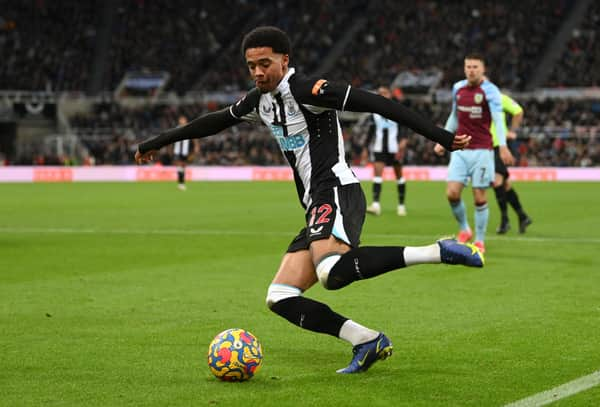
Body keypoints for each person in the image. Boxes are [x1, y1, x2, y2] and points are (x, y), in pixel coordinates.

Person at [135, 26, 483, 375]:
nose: (257, 72)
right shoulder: (260, 100)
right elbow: (213, 122)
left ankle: (437, 251)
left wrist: (440, 135)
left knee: (331, 272)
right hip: (314, 204)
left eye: (265, 63)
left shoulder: (308, 90)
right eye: (251, 65)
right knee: (280, 296)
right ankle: (366, 340)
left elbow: (377, 103)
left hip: (335, 189)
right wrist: (157, 141)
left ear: (285, 61)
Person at [434, 53, 514, 254]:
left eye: (475, 67)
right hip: (460, 150)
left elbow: (498, 119)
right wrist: (443, 139)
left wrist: (502, 146)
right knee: (451, 193)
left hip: (482, 151)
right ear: (464, 68)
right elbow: (454, 116)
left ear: (483, 69)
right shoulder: (458, 88)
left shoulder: (490, 91)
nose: (471, 70)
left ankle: (480, 240)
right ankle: (464, 229)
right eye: (468, 66)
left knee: (479, 196)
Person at [361, 86, 408, 216]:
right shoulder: (374, 113)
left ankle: (401, 205)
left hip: (395, 148)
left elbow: (404, 127)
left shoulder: (397, 110)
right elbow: (370, 133)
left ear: (390, 94)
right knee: (377, 175)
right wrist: (365, 148)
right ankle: (376, 205)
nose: (382, 95)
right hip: (379, 147)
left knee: (399, 176)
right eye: (380, 93)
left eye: (385, 93)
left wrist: (403, 141)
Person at [491, 93, 532, 234]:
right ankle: (522, 216)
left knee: (496, 182)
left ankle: (505, 221)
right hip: (485, 147)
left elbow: (518, 111)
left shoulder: (498, 97)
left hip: (500, 147)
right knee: (505, 184)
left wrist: (512, 131)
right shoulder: (475, 99)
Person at [172, 115, 200, 190]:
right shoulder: (176, 129)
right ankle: (181, 184)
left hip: (185, 151)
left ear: (186, 120)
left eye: (183, 120)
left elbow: (194, 138)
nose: (182, 121)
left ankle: (181, 183)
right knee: (179, 166)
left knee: (182, 167)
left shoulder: (189, 128)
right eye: (181, 119)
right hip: (177, 151)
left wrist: (196, 146)